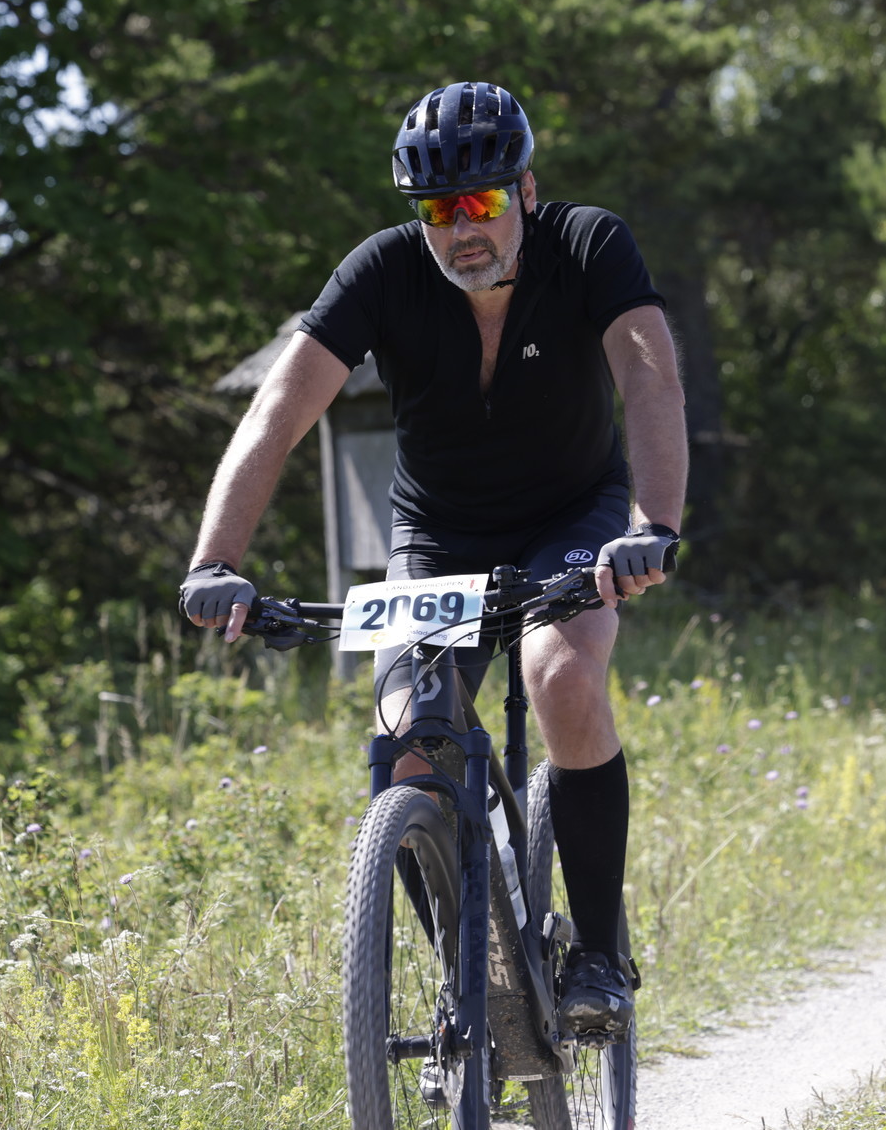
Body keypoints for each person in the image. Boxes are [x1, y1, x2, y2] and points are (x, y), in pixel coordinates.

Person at [177, 80, 687, 1039]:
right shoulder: (382, 272)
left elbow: (649, 376)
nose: (463, 229)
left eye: (481, 202)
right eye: (439, 210)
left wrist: (652, 523)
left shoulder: (589, 244)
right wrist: (215, 561)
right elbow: (280, 411)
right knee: (407, 742)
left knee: (561, 673)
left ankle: (597, 956)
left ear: (524, 191)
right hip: (440, 535)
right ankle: (472, 976)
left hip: (572, 519)